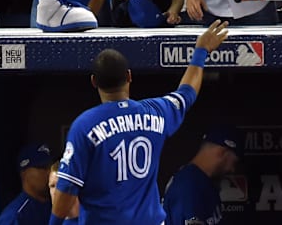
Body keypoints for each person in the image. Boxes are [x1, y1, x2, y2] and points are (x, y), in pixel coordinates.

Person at [50, 20, 230, 225]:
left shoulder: (85, 125)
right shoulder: (156, 111)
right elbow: (186, 93)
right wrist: (201, 50)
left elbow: (66, 189)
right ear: (129, 76)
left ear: (94, 81)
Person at [162, 126, 242, 225]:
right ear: (222, 153)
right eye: (233, 162)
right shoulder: (189, 185)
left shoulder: (202, 181)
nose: (232, 169)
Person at [0, 142, 54, 225]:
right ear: (24, 173)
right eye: (42, 168)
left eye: (50, 167)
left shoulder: (58, 207)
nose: (49, 173)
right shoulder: (14, 216)